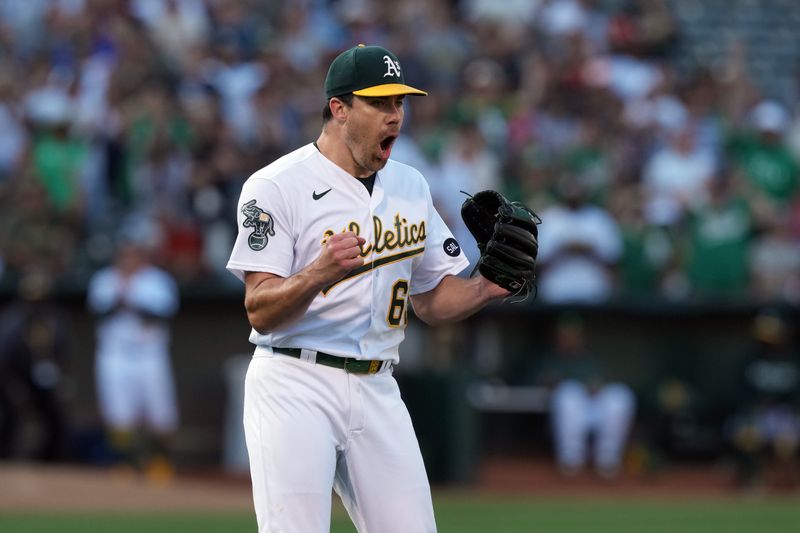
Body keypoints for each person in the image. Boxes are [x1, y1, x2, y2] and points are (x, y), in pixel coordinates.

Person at [226, 44, 519, 533]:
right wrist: (318, 272)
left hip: (378, 382)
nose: (394, 116)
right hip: (295, 380)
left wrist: (487, 288)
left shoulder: (410, 185)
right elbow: (259, 308)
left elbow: (430, 300)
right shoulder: (276, 185)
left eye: (399, 103)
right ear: (339, 109)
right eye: (379, 103)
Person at [86, 235, 180, 482]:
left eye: (134, 255)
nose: (129, 260)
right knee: (118, 413)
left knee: (161, 413)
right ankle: (124, 464)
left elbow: (163, 315)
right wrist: (120, 300)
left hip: (149, 353)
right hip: (115, 353)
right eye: (124, 255)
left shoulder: (157, 281)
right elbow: (98, 311)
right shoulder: (105, 280)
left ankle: (159, 463)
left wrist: (132, 302)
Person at [532, 312, 636, 479]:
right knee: (568, 392)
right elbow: (541, 381)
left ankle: (608, 460)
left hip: (595, 406)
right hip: (568, 410)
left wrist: (595, 387)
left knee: (621, 395)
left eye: (574, 334)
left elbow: (600, 381)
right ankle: (571, 460)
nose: (569, 339)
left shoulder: (589, 359)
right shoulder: (548, 357)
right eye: (565, 334)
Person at [0, 268, 72, 461]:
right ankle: (5, 459)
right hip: (13, 377)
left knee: (55, 417)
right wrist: (13, 388)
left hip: (44, 378)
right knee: (10, 417)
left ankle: (52, 460)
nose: (37, 303)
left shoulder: (55, 318)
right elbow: (5, 360)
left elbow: (62, 352)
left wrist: (62, 379)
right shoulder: (12, 319)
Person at [725, 308, 800, 489]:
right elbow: (739, 396)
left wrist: (792, 424)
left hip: (786, 415)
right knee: (746, 435)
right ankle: (753, 480)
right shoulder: (749, 359)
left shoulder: (793, 359)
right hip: (757, 414)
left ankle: (791, 481)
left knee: (788, 440)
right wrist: (749, 420)